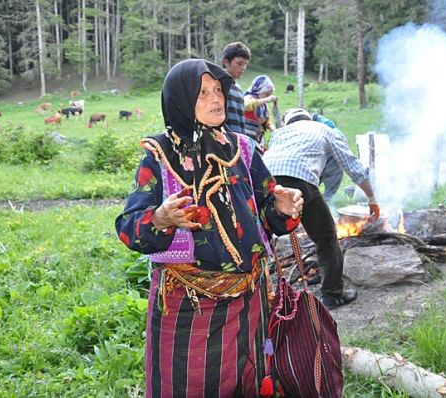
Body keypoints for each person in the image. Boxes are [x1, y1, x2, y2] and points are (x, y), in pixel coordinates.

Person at [115, 59, 303, 398]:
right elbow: (129, 227)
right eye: (202, 93)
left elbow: (266, 211)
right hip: (188, 308)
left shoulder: (243, 149)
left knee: (249, 380)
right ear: (180, 99)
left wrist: (281, 206)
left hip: (250, 302)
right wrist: (160, 218)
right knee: (187, 385)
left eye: (218, 90)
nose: (215, 99)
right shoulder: (160, 156)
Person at [263, 108, 381, 310]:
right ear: (309, 118)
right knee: (326, 239)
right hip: (300, 181)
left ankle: (263, 296)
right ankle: (333, 294)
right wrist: (371, 199)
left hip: (266, 185)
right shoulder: (324, 129)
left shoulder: (279, 133)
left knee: (263, 239)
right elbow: (353, 167)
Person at [222, 42, 250, 135]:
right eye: (239, 63)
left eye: (245, 64)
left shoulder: (238, 89)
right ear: (226, 62)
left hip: (238, 141)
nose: (243, 68)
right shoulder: (218, 85)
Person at [244, 75, 278, 152]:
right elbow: (247, 105)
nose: (267, 97)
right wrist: (267, 99)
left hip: (258, 139)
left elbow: (267, 120)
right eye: (266, 94)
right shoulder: (248, 98)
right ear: (260, 90)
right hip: (246, 138)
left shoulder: (263, 106)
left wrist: (273, 129)